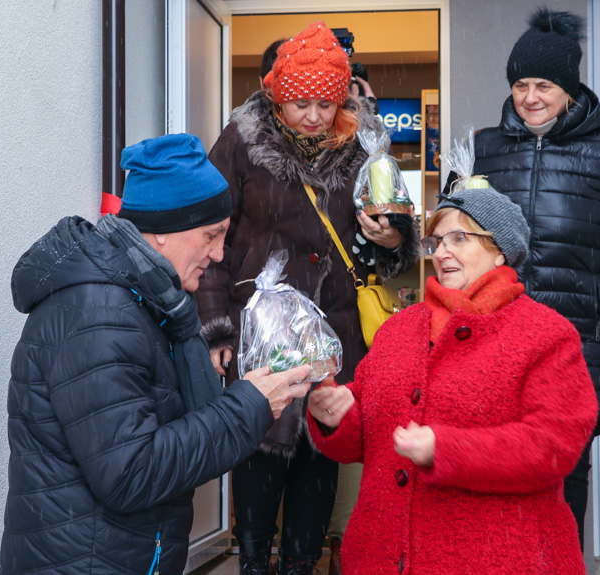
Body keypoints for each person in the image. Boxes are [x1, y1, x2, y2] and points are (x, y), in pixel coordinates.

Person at [0, 133, 312, 575]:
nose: (219, 253)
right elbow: (131, 474)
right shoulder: (100, 313)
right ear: (163, 232)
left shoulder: (147, 303)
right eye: (211, 235)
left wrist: (251, 399)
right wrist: (249, 406)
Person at [196, 21, 419, 575]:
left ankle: (301, 564)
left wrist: (391, 238)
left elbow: (388, 243)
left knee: (321, 454)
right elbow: (211, 240)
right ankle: (252, 561)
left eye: (326, 103)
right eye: (301, 103)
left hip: (334, 327)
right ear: (277, 95)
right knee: (257, 449)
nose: (315, 116)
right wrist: (216, 327)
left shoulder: (366, 144)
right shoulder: (241, 141)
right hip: (262, 327)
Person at [443, 8, 600, 547]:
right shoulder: (483, 148)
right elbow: (452, 236)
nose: (531, 96)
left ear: (570, 89)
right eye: (521, 84)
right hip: (495, 339)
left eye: (545, 84)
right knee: (493, 464)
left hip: (576, 340)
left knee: (565, 470)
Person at [306, 188, 598, 574]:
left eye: (460, 238)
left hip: (505, 558)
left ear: (500, 250)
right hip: (381, 556)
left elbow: (552, 446)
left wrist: (447, 450)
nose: (442, 252)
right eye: (436, 241)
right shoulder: (398, 331)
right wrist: (335, 417)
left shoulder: (546, 334)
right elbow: (367, 438)